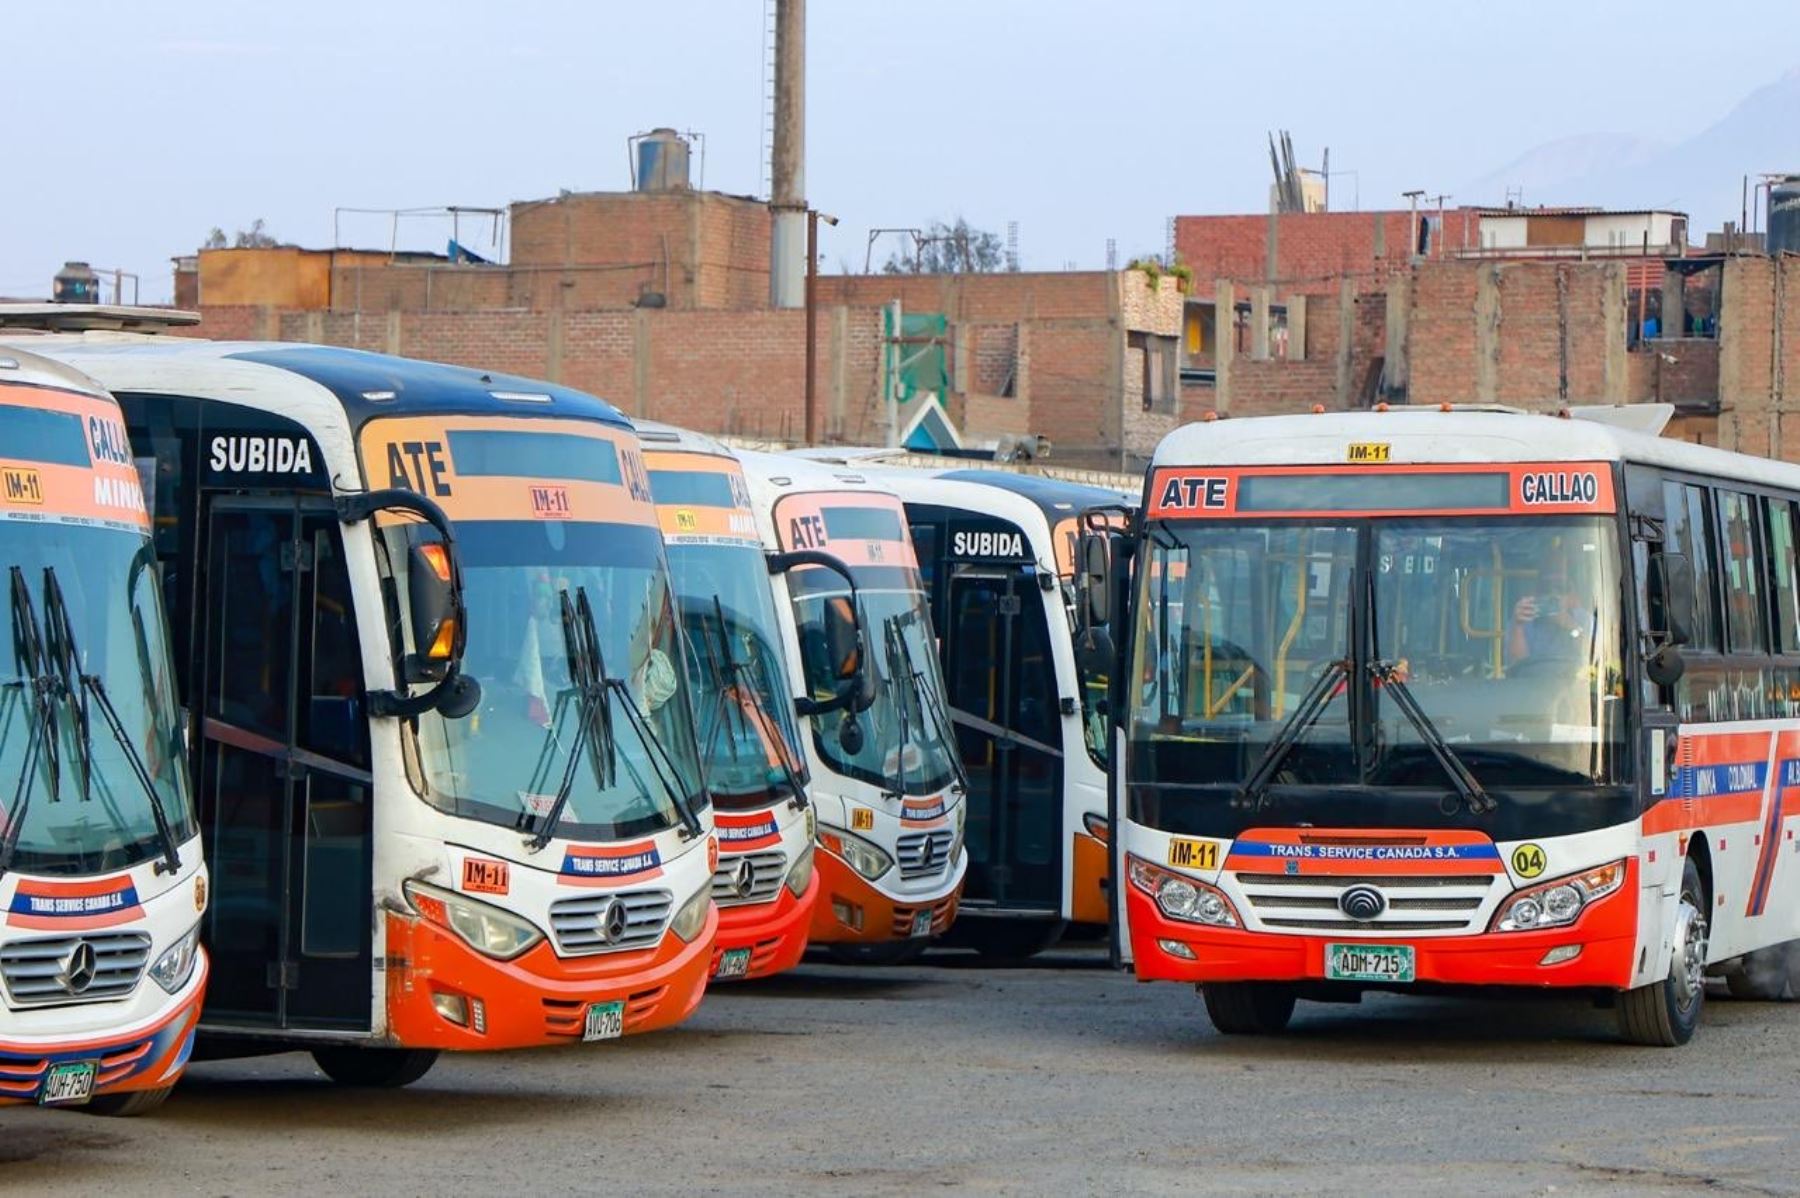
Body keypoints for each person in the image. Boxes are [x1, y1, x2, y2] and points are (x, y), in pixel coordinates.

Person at [1509, 542, 1594, 663]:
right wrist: (1518, 627)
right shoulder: (1524, 619)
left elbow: (1594, 659)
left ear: (1571, 591)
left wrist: (1571, 626)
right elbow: (1516, 666)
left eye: (1560, 587)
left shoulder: (1585, 620)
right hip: (1534, 680)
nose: (1553, 594)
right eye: (1546, 588)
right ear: (1537, 591)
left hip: (1576, 680)